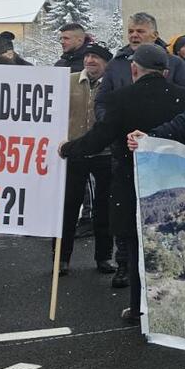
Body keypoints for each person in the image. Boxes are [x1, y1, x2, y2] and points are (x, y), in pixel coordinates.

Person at [60, 44, 185, 318]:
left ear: (134, 69)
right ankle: (171, 306)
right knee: (170, 240)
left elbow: (99, 138)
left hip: (130, 180)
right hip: (171, 180)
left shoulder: (119, 99)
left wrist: (67, 149)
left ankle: (138, 307)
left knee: (136, 244)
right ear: (166, 72)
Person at [57, 44, 116, 276]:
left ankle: (103, 257)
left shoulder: (111, 85)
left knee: (105, 209)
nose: (90, 60)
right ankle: (61, 258)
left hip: (104, 153)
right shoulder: (68, 81)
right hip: (73, 151)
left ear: (106, 63)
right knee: (68, 206)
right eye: (87, 56)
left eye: (96, 57)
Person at [96, 12, 185, 118]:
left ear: (155, 35)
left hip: (161, 131)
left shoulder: (175, 64)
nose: (134, 35)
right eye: (130, 31)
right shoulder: (115, 64)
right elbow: (101, 102)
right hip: (122, 131)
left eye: (140, 31)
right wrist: (112, 122)